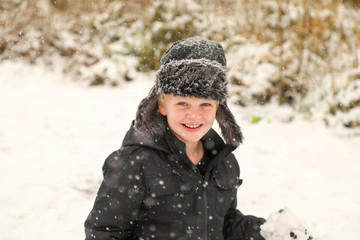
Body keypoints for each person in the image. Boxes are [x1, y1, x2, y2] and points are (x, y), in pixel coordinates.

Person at [84, 37, 265, 240]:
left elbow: (224, 222)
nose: (194, 115)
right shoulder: (135, 163)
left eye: (205, 104)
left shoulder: (224, 162)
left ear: (218, 108)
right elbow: (105, 232)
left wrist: (266, 231)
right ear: (162, 106)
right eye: (182, 103)